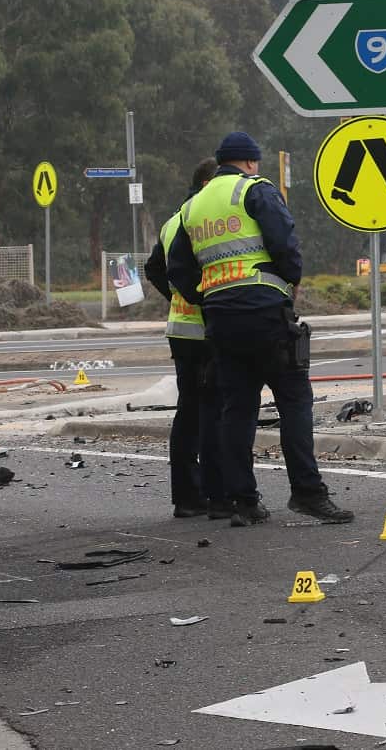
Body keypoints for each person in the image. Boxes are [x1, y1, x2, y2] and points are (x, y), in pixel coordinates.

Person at [167, 132, 353, 527]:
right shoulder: (254, 190)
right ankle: (307, 492)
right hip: (265, 309)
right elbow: (284, 239)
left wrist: (205, 297)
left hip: (220, 318)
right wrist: (291, 281)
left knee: (237, 410)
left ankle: (243, 501)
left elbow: (178, 267)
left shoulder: (192, 207)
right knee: (294, 402)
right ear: (250, 162)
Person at [144, 157, 227, 519]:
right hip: (205, 331)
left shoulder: (173, 219)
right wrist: (197, 297)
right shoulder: (200, 220)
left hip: (182, 331)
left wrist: (175, 294)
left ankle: (188, 496)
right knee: (211, 413)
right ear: (208, 184)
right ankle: (212, 493)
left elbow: (154, 268)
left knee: (189, 414)